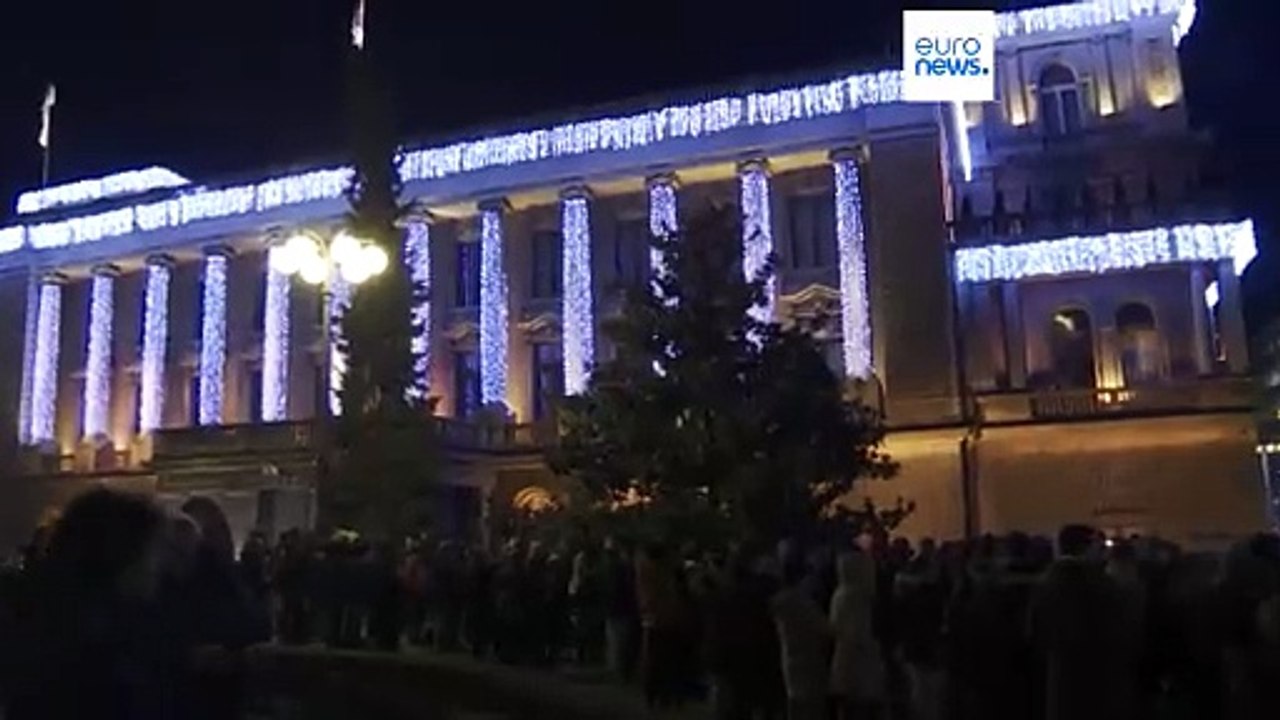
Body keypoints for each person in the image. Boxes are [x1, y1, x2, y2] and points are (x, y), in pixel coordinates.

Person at [3, 488, 184, 719]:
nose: (157, 566)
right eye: (152, 551)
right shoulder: (97, 646)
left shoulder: (48, 620)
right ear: (123, 554)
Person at [829, 551, 885, 720]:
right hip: (859, 658)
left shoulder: (840, 594)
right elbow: (858, 631)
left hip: (846, 657)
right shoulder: (857, 597)